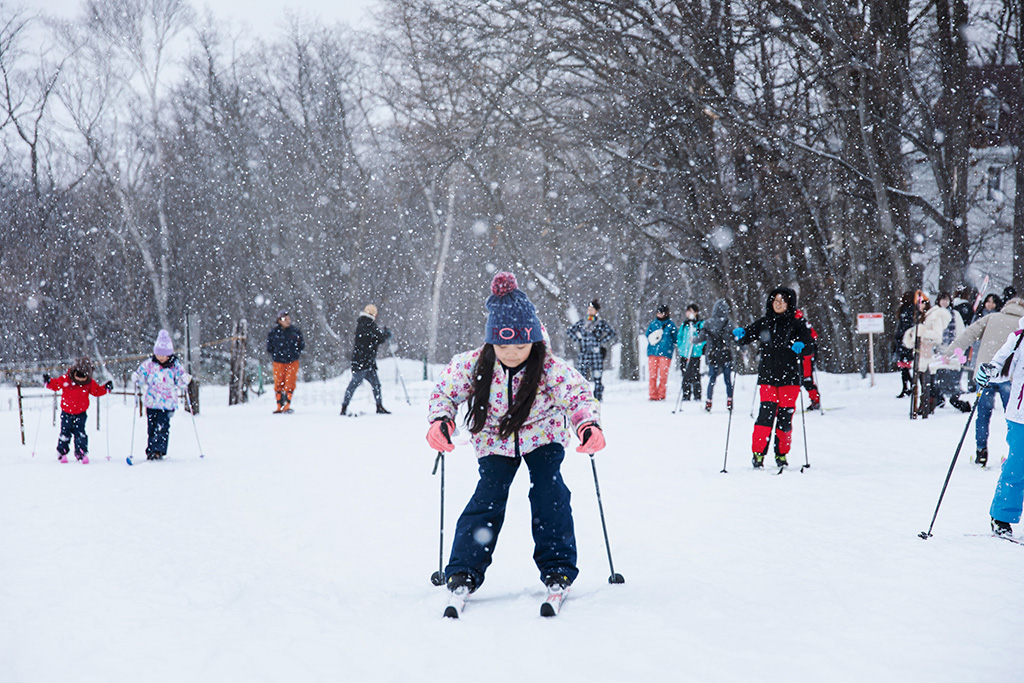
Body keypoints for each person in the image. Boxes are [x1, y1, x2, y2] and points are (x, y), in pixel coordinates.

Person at [426, 272, 604, 604]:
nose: (511, 352)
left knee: (549, 491)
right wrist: (441, 421)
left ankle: (558, 568)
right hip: (494, 440)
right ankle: (464, 569)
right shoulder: (473, 365)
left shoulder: (549, 367)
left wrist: (587, 426)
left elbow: (579, 396)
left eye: (520, 345)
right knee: (488, 497)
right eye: (503, 344)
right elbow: (444, 392)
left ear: (534, 339)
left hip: (543, 436)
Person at [733, 287, 813, 469]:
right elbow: (746, 336)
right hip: (768, 376)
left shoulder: (797, 324)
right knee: (765, 415)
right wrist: (740, 335)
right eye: (775, 300)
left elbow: (809, 346)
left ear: (789, 303)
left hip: (790, 378)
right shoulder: (764, 323)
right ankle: (758, 454)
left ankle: (781, 455)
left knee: (785, 418)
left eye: (782, 300)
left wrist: (802, 345)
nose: (778, 304)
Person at [947, 296, 1024, 465]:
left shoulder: (992, 318)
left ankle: (981, 452)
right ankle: (1012, 454)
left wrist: (950, 352)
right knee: (1013, 418)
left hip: (985, 373)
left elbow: (969, 334)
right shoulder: (1021, 324)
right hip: (1008, 376)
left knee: (982, 415)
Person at [976, 319, 1024, 536]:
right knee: (1017, 466)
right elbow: (1000, 368)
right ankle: (1001, 517)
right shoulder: (1019, 337)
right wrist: (988, 370)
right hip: (1021, 414)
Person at [133, 330, 192, 460]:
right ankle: (151, 450)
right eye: (158, 354)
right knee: (152, 427)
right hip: (152, 402)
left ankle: (159, 450)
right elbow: (141, 375)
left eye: (163, 355)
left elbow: (180, 380)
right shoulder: (149, 364)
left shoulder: (175, 366)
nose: (160, 357)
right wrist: (137, 377)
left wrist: (185, 379)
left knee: (163, 427)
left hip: (167, 403)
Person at [44, 357, 112, 463]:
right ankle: (62, 452)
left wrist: (106, 388)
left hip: (81, 413)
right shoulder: (66, 379)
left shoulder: (89, 383)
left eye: (83, 377)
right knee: (65, 433)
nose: (80, 379)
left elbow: (97, 391)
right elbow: (56, 384)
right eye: (78, 376)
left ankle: (81, 452)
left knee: (80, 433)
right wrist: (48, 382)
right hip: (67, 413)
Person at [341, 304, 392, 415]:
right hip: (364, 362)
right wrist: (385, 335)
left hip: (363, 362)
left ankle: (345, 406)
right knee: (370, 385)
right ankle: (378, 406)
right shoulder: (369, 324)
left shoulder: (362, 324)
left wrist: (382, 335)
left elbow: (374, 338)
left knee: (360, 384)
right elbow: (377, 338)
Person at [566, 299, 617, 401]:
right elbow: (570, 331)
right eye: (588, 309)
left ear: (596, 311)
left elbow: (612, 333)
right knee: (581, 375)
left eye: (591, 309)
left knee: (597, 375)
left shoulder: (600, 323)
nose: (589, 311)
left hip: (596, 353)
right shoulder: (582, 322)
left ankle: (598, 396)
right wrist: (579, 340)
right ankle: (582, 395)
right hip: (584, 352)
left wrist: (601, 340)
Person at [695, 298, 734, 412]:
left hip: (713, 354)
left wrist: (693, 340)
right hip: (726, 354)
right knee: (728, 379)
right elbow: (737, 336)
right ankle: (730, 400)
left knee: (712, 379)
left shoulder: (708, 323)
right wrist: (743, 348)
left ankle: (709, 402)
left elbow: (701, 337)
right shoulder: (729, 323)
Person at [932, 292, 969, 412]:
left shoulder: (955, 314)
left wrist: (958, 350)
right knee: (938, 377)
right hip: (938, 351)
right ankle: (938, 398)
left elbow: (960, 332)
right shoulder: (934, 314)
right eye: (942, 299)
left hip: (952, 351)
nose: (944, 302)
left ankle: (955, 399)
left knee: (952, 379)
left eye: (946, 300)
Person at [266, 309, 305, 413]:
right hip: (278, 362)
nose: (288, 321)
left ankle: (287, 404)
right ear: (279, 320)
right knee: (278, 383)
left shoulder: (295, 332)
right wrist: (277, 353)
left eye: (289, 319)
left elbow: (301, 345)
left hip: (292, 361)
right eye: (285, 319)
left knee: (290, 382)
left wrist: (294, 353)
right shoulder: (274, 333)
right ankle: (279, 405)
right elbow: (269, 347)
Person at [645, 304, 677, 400]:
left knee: (663, 375)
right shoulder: (653, 324)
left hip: (665, 353)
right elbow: (648, 335)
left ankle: (661, 394)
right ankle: (653, 395)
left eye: (661, 312)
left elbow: (676, 338)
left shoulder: (671, 325)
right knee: (653, 375)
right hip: (653, 352)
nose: (659, 314)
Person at [794, 309, 822, 411]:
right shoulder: (804, 321)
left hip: (805, 355)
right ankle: (815, 400)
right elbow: (814, 336)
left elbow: (813, 336)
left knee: (806, 379)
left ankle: (815, 400)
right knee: (806, 379)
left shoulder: (800, 322)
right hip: (806, 354)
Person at [676, 304, 705, 402]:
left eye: (692, 311)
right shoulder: (685, 324)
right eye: (688, 311)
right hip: (684, 353)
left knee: (695, 374)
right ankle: (686, 395)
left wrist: (698, 346)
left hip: (695, 354)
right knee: (685, 374)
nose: (689, 314)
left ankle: (697, 395)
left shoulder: (700, 324)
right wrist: (681, 347)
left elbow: (703, 337)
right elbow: (679, 337)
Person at [892, 292, 917, 397]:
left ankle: (908, 386)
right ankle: (909, 386)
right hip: (904, 341)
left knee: (904, 366)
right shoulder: (911, 310)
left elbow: (904, 326)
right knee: (904, 366)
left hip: (904, 341)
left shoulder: (906, 309)